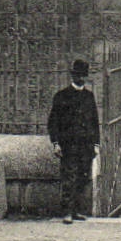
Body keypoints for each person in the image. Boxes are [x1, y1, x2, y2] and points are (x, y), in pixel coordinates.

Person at [47, 59, 99, 224]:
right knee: (69, 178)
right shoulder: (62, 96)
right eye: (78, 75)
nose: (81, 79)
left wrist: (96, 144)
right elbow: (53, 122)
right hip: (68, 145)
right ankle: (67, 212)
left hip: (86, 146)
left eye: (83, 76)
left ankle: (77, 210)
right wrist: (56, 143)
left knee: (83, 178)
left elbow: (94, 122)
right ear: (73, 76)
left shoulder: (89, 96)